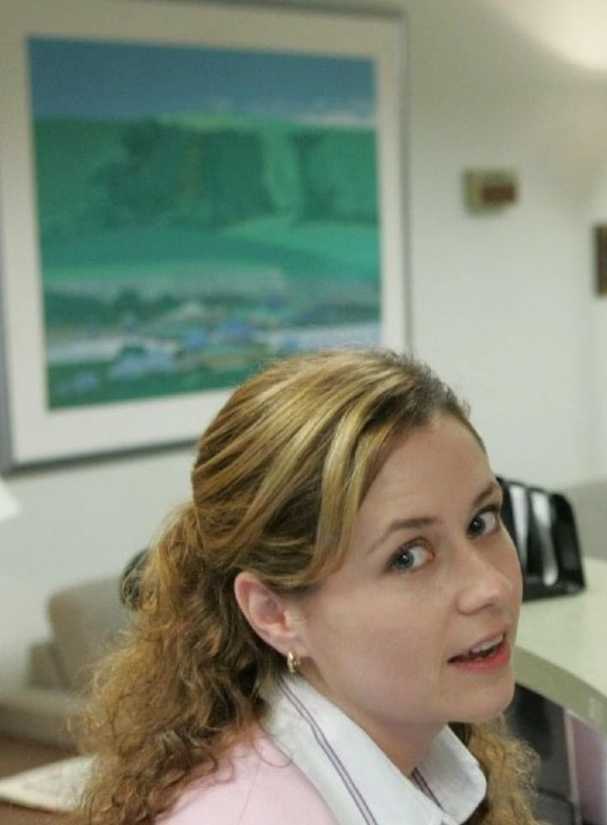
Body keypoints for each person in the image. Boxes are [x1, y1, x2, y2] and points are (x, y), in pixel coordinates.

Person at [77, 350, 538, 825]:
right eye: (407, 557)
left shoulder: (414, 745)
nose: (491, 585)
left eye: (481, 521)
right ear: (274, 613)